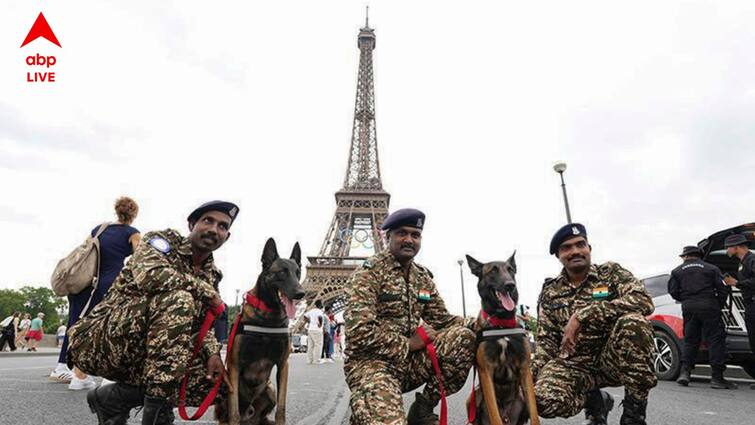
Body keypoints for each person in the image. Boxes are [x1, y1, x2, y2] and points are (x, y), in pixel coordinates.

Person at [68, 200, 238, 425]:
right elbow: (151, 275)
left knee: (216, 385)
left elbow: (200, 323)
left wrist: (213, 353)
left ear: (227, 236)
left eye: (222, 226)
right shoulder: (160, 242)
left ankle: (113, 398)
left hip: (151, 352)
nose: (214, 229)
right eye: (208, 221)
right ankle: (156, 416)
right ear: (191, 224)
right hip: (103, 341)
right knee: (179, 299)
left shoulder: (211, 273)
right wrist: (205, 291)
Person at [344, 208, 476, 425]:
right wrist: (408, 343)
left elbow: (444, 321)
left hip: (408, 365)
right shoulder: (368, 274)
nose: (409, 240)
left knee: (463, 337)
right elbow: (358, 332)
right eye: (401, 233)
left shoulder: (421, 277)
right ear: (387, 236)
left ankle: (421, 409)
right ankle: (368, 406)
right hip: (371, 365)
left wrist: (484, 323)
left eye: (415, 235)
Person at [533, 223, 657, 425]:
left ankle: (634, 415)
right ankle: (595, 403)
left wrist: (584, 315)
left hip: (613, 359)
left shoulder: (611, 274)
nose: (575, 251)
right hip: (574, 365)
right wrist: (529, 377)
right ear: (558, 255)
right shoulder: (550, 291)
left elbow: (643, 301)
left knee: (634, 323)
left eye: (580, 244)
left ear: (589, 248)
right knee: (542, 401)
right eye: (566, 247)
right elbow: (546, 342)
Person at [51, 196, 142, 390]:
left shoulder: (99, 229)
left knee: (82, 327)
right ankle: (108, 377)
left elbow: (86, 250)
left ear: (116, 210)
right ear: (133, 214)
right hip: (114, 281)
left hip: (88, 283)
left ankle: (78, 375)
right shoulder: (132, 233)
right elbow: (141, 257)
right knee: (112, 327)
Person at [668, 245, 735, 389]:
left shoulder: (677, 271)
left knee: (690, 340)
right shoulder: (712, 268)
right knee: (715, 340)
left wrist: (686, 299)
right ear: (700, 255)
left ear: (685, 256)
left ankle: (685, 373)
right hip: (709, 305)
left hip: (689, 306)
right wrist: (718, 304)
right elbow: (723, 288)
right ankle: (717, 378)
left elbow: (673, 291)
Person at [722, 233, 755, 390]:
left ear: (737, 247)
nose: (727, 250)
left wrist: (737, 282)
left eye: (728, 247)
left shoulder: (751, 259)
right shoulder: (743, 262)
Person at [304, 300, 325, 365]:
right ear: (320, 305)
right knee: (318, 345)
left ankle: (309, 360)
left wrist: (309, 322)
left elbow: (305, 316)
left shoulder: (312, 311)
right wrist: (320, 324)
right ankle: (316, 360)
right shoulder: (320, 311)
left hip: (310, 329)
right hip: (317, 330)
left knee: (310, 345)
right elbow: (320, 317)